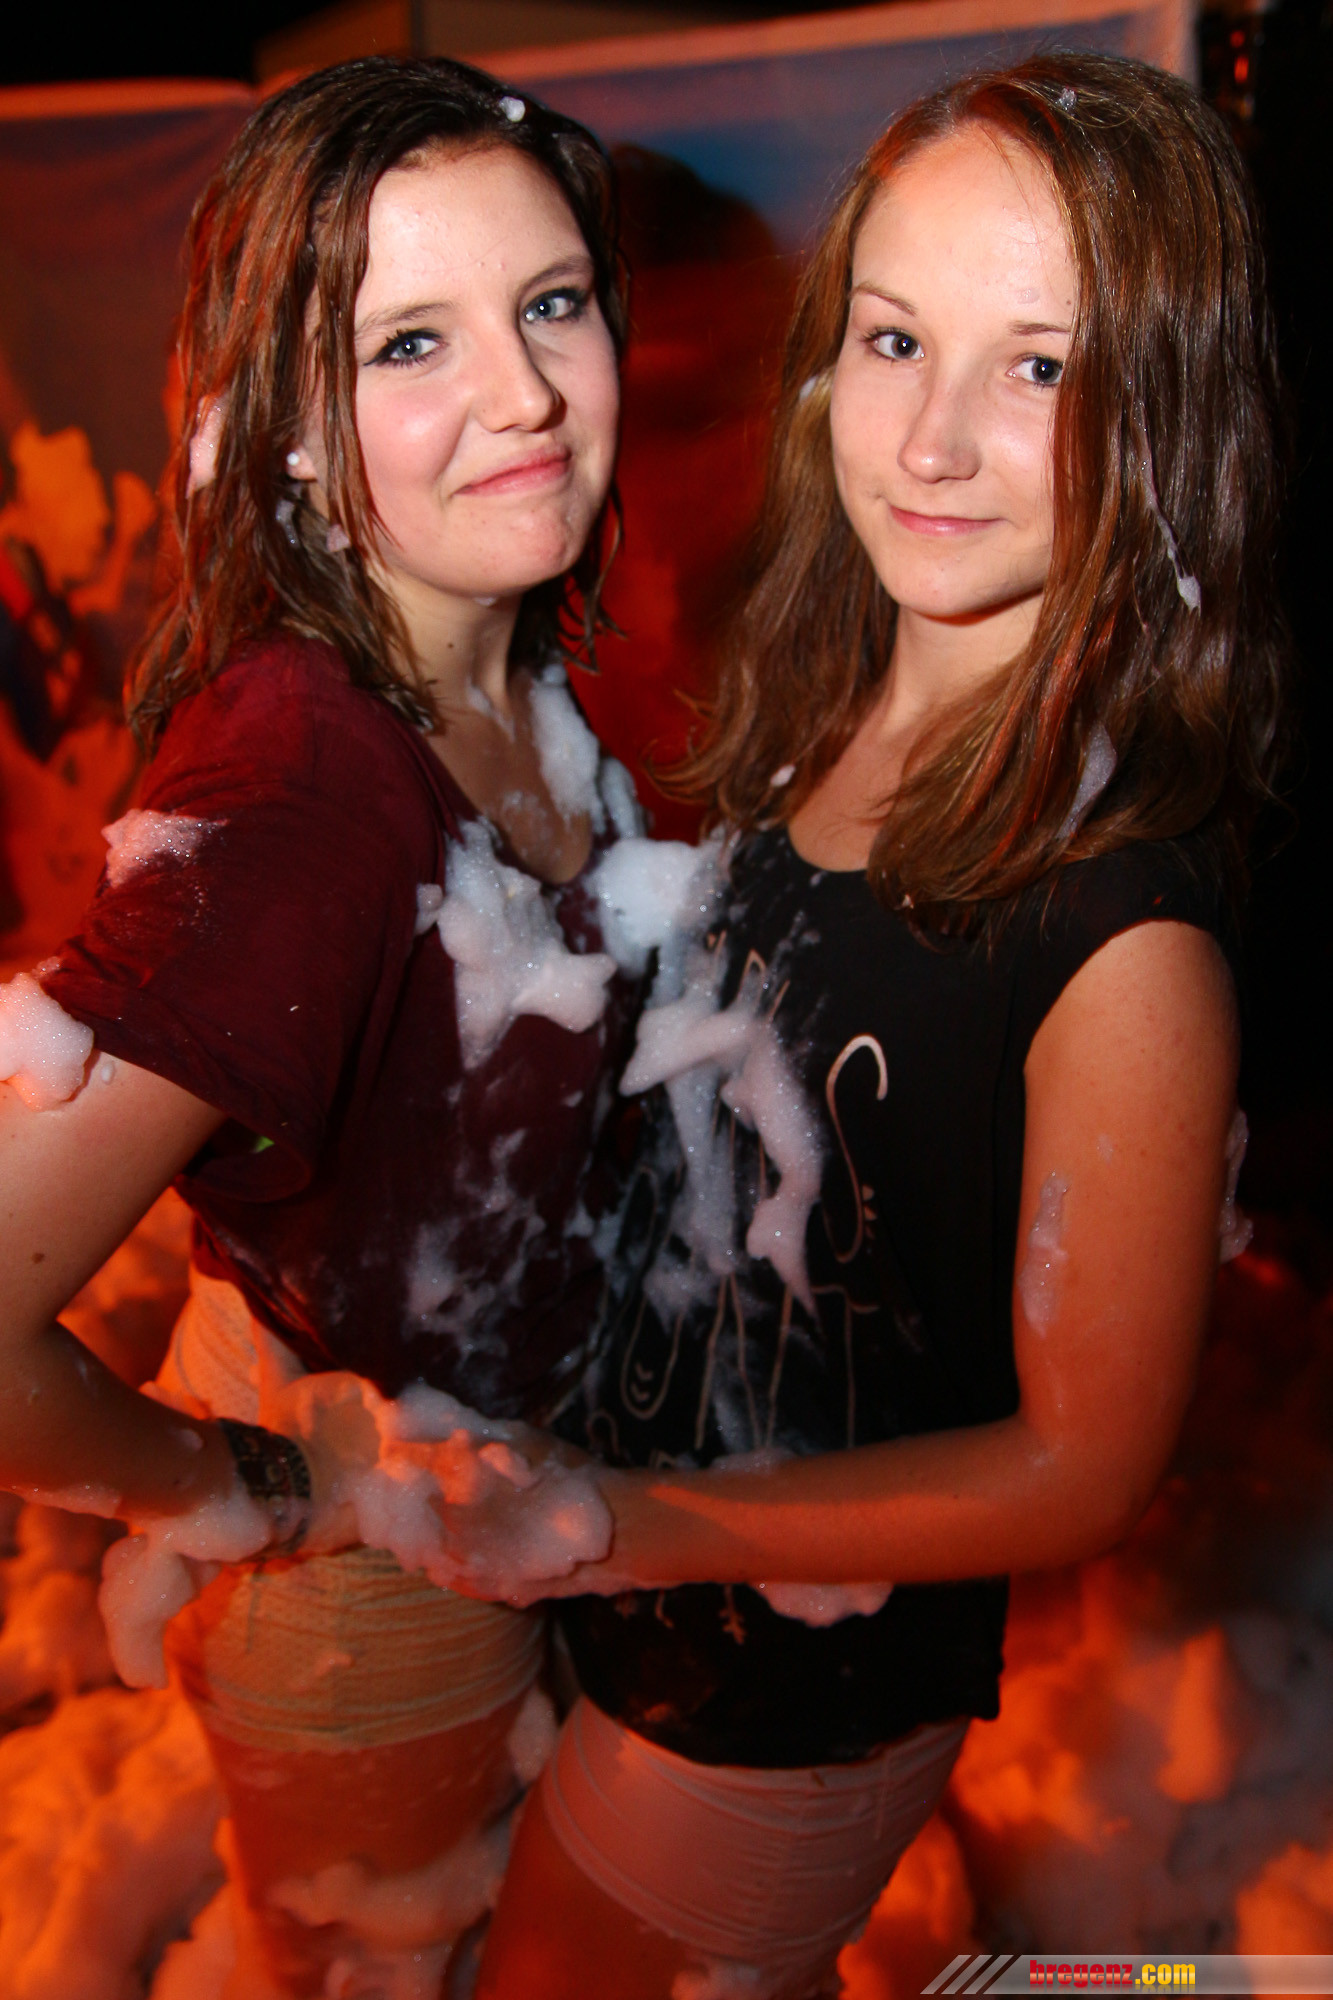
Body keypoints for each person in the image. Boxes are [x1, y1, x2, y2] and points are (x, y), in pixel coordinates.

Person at [476, 51, 1286, 2000]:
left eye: (1037, 368)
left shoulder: (1117, 926)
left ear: (1167, 410)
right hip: (649, 1606)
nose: (929, 438)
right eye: (896, 337)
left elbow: (1085, 1463)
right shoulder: (828, 709)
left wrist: (646, 1521)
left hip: (778, 1704)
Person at [0, 56, 637, 1999]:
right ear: (286, 417)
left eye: (550, 302)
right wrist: (248, 1490)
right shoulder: (306, 791)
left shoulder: (492, 659)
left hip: (496, 1506)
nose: (526, 394)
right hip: (369, 1602)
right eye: (410, 342)